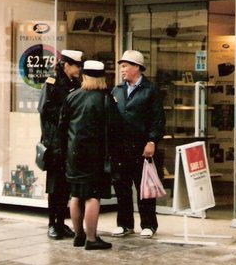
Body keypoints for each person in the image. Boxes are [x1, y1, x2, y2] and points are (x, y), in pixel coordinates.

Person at [58, 60, 116, 250]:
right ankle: (91, 239)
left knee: (76, 195)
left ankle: (78, 236)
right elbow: (114, 128)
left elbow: (62, 127)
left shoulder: (72, 96)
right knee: (92, 197)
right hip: (95, 155)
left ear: (84, 76)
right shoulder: (106, 99)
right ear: (102, 78)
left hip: (73, 154)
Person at [110, 50, 165, 239]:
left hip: (142, 147)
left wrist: (152, 140)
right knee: (122, 187)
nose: (122, 70)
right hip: (120, 148)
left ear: (137, 68)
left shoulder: (151, 90)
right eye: (122, 66)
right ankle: (124, 224)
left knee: (145, 188)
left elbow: (158, 119)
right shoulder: (117, 89)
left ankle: (149, 224)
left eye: (125, 66)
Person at [37, 49, 83, 240]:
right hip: (55, 141)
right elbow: (45, 109)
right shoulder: (53, 82)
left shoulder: (75, 82)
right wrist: (66, 116)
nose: (79, 69)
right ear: (66, 65)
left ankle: (61, 222)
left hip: (68, 141)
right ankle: (52, 224)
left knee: (64, 186)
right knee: (55, 185)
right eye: (76, 65)